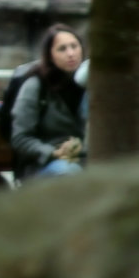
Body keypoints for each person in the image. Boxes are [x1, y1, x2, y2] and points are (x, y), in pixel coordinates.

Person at [10, 23, 88, 178]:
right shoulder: (35, 86)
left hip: (86, 159)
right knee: (70, 173)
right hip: (45, 165)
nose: (71, 53)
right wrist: (53, 152)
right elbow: (20, 138)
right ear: (50, 55)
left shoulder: (91, 84)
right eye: (62, 49)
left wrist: (82, 148)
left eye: (74, 46)